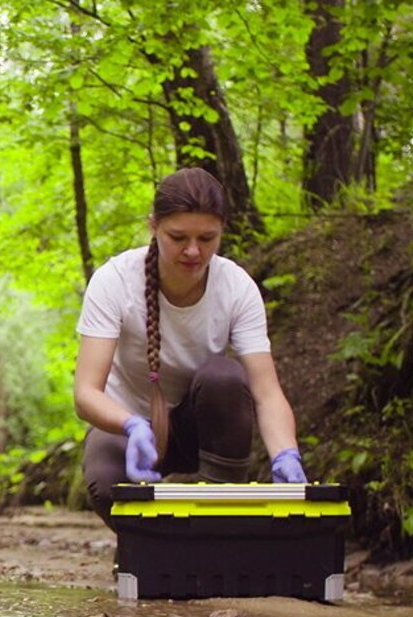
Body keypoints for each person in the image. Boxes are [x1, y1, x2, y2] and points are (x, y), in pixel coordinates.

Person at [73, 167, 306, 525]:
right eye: (178, 237)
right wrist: (134, 426)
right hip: (128, 430)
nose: (193, 251)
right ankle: (144, 543)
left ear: (222, 231)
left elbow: (266, 392)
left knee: (225, 377)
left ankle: (215, 527)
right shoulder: (114, 280)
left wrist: (285, 454)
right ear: (154, 226)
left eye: (207, 238)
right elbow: (87, 392)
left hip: (197, 430)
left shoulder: (237, 288)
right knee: (107, 486)